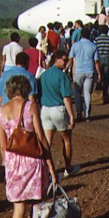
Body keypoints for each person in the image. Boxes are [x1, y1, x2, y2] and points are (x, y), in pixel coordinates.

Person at [0, 75, 58, 218]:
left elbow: (2, 146)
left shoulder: (1, 111)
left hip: (13, 162)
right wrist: (50, 165)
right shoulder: (31, 107)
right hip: (32, 161)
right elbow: (41, 138)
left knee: (18, 208)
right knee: (35, 203)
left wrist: (7, 165)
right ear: (25, 89)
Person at [39, 50, 80, 179]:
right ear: (57, 59)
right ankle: (68, 168)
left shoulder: (44, 74)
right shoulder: (62, 75)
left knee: (47, 142)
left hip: (45, 109)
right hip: (58, 109)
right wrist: (71, 115)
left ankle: (45, 168)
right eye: (64, 60)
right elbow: (66, 97)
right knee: (66, 140)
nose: (66, 62)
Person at [67, 27, 101, 121]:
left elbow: (70, 59)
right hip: (89, 71)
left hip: (78, 71)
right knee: (87, 93)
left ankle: (79, 112)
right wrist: (99, 73)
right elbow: (96, 61)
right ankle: (87, 114)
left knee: (77, 93)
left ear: (81, 35)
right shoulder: (93, 46)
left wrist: (65, 68)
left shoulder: (75, 45)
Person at [94, 25, 109, 104]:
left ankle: (98, 90)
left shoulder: (97, 39)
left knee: (99, 75)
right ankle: (105, 92)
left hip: (99, 58)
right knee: (106, 76)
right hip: (107, 58)